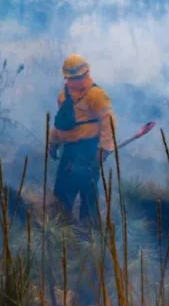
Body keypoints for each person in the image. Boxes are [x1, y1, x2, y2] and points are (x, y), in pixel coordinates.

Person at [49, 54, 118, 224]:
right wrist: (53, 142)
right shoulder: (64, 96)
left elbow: (108, 122)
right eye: (72, 78)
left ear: (87, 73)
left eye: (80, 76)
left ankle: (89, 233)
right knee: (62, 191)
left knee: (89, 192)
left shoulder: (97, 95)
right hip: (70, 149)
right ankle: (61, 230)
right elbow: (61, 123)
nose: (77, 81)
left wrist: (104, 149)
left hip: (89, 149)